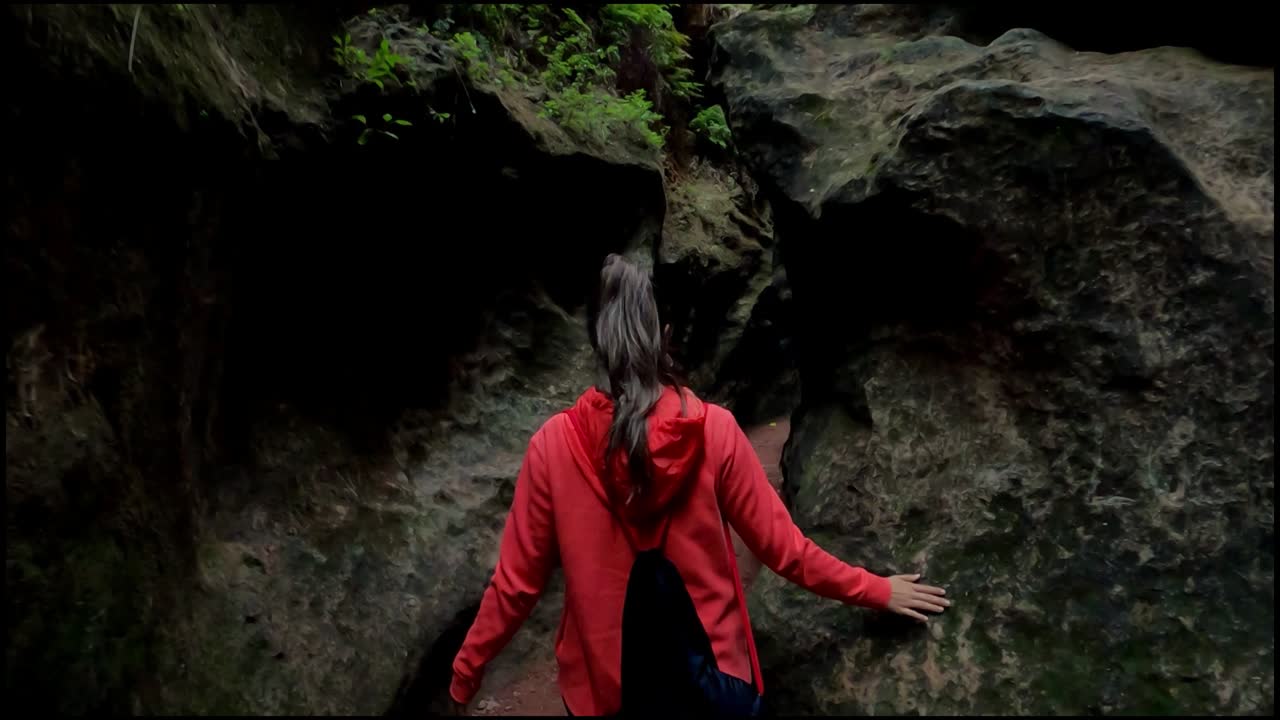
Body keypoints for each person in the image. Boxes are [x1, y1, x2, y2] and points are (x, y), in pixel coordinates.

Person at [449, 254, 949, 716]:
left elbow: (515, 586)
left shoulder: (552, 446)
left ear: (595, 340)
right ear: (666, 334)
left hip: (605, 693)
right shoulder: (714, 430)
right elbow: (785, 550)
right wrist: (878, 589)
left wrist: (464, 677)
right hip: (709, 681)